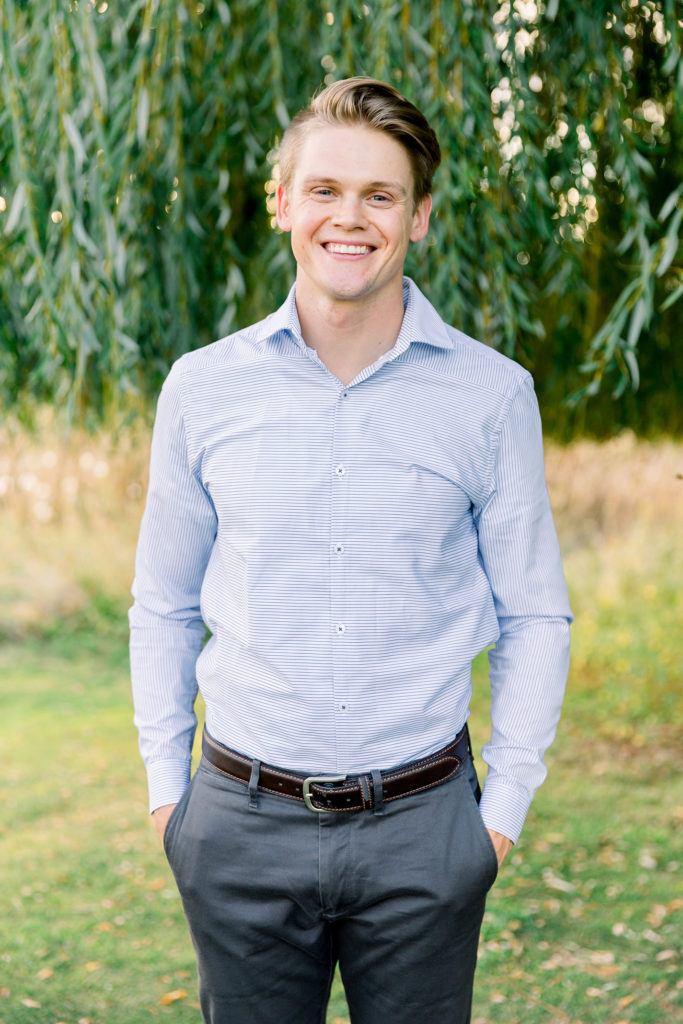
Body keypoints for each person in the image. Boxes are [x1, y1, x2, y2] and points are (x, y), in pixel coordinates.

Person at [130, 76, 572, 1024]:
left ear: (418, 218)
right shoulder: (202, 390)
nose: (350, 217)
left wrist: (499, 817)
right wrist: (172, 801)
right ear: (282, 202)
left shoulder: (490, 398)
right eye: (325, 189)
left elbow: (533, 611)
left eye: (380, 195)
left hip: (426, 831)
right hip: (237, 826)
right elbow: (162, 604)